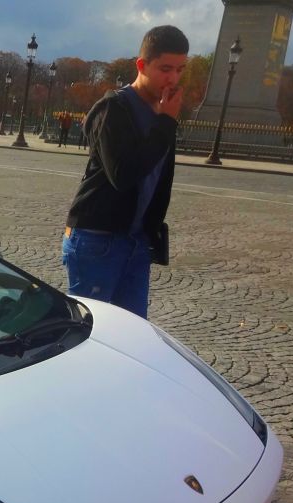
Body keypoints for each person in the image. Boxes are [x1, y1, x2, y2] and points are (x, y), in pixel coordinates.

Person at [61, 25, 187, 319]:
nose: (173, 79)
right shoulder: (114, 108)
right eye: (165, 69)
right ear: (142, 65)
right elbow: (123, 174)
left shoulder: (161, 112)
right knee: (91, 331)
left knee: (132, 334)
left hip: (136, 241)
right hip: (97, 238)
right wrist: (166, 123)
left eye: (180, 70)